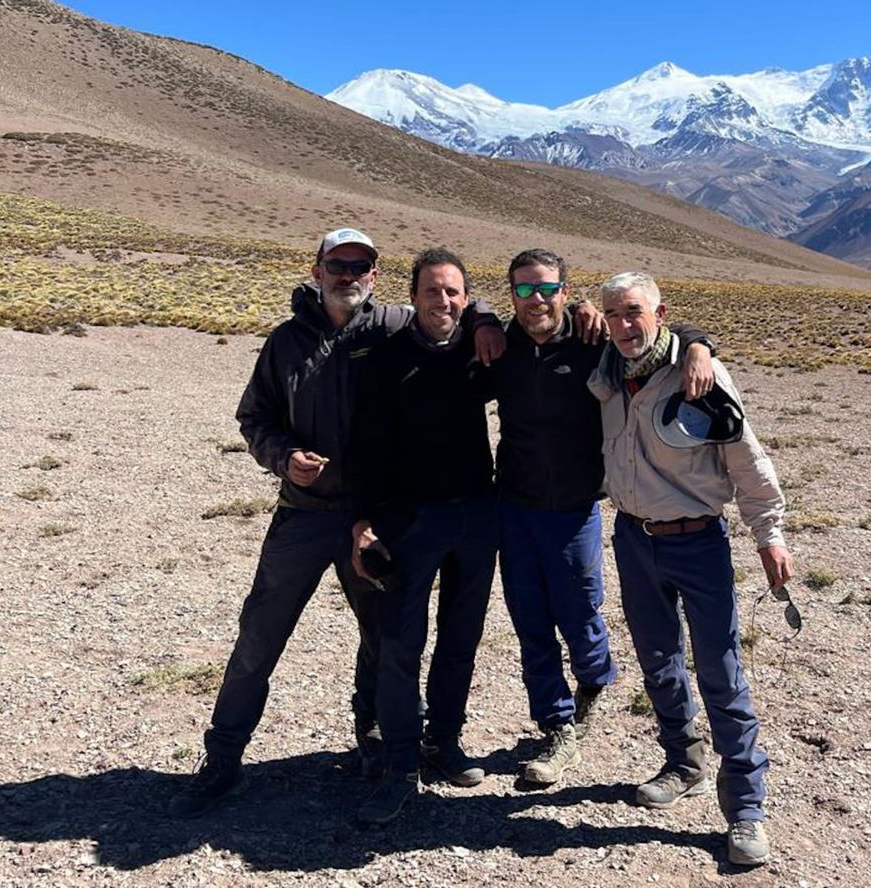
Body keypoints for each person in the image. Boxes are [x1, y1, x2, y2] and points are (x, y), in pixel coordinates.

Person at [168, 230, 502, 818]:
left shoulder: (392, 324)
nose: (349, 274)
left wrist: (489, 318)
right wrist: (283, 457)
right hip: (307, 513)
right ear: (317, 270)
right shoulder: (286, 342)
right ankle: (223, 755)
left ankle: (373, 737)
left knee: (384, 636)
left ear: (374, 275)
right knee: (260, 635)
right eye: (338, 264)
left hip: (378, 516)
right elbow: (254, 417)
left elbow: (454, 302)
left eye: (360, 265)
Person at [588, 272, 795, 867]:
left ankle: (746, 807)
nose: (623, 325)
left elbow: (747, 460)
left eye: (634, 312)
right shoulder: (605, 374)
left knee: (720, 670)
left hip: (697, 540)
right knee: (658, 660)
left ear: (659, 315)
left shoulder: (699, 375)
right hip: (633, 538)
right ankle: (684, 763)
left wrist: (769, 534)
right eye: (612, 314)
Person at [491, 249, 717, 787]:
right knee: (529, 620)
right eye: (524, 289)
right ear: (512, 295)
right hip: (515, 506)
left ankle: (592, 687)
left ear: (566, 292)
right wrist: (479, 321)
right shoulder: (501, 345)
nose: (536, 299)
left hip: (574, 509)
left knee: (579, 613)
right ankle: (557, 723)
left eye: (547, 288)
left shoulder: (593, 342)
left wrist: (699, 345)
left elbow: (660, 333)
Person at [349, 247, 500, 824]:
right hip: (407, 520)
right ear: (411, 296)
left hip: (475, 515)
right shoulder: (384, 358)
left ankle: (445, 740)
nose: (442, 301)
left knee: (461, 635)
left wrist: (486, 316)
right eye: (432, 291)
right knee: (400, 643)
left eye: (453, 292)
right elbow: (363, 446)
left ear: (466, 298)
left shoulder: (479, 349)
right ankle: (399, 762)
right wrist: (362, 523)